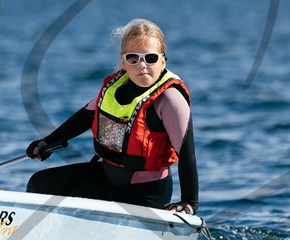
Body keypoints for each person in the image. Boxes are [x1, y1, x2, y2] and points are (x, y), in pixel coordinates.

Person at [25, 18, 198, 213]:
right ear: (123, 62)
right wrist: (47, 142)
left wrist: (189, 202)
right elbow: (85, 117)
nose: (142, 65)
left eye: (150, 58)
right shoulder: (113, 88)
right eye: (133, 58)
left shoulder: (170, 99)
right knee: (39, 184)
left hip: (145, 196)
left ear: (163, 60)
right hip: (105, 180)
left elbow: (187, 155)